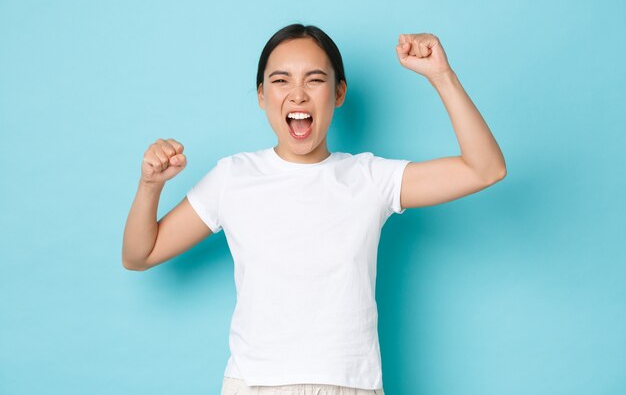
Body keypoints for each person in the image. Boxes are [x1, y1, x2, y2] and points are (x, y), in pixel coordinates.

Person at [122, 23, 506, 395]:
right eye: (281, 80)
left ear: (339, 93)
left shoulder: (370, 178)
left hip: (351, 386)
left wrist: (442, 75)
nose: (298, 94)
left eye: (315, 79)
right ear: (261, 95)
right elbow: (140, 254)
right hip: (255, 386)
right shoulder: (232, 177)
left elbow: (485, 169)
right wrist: (150, 186)